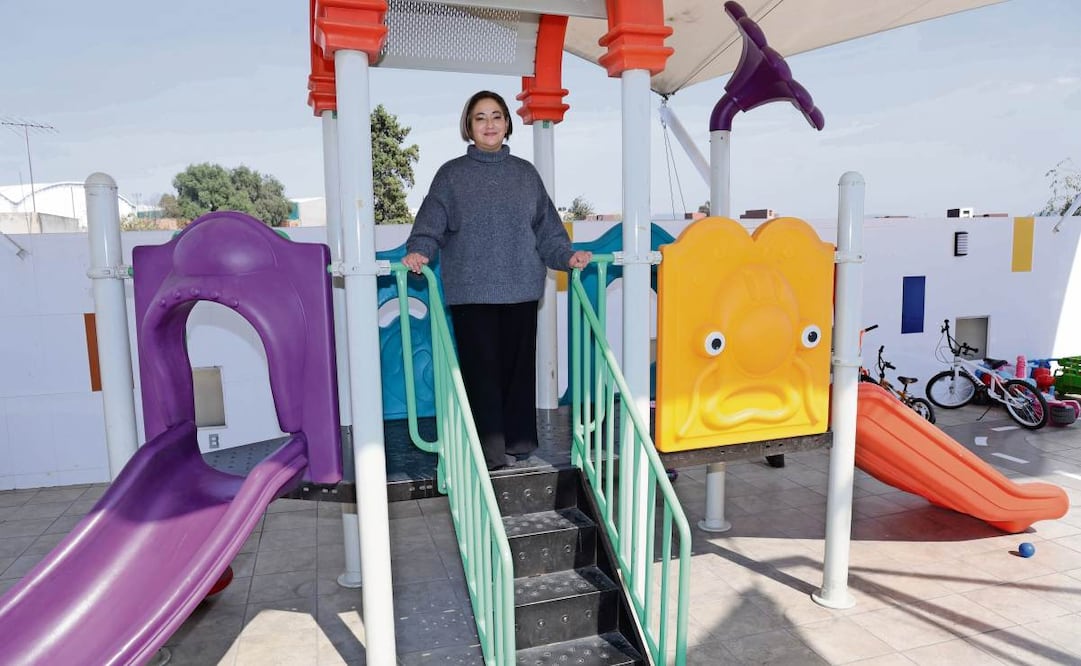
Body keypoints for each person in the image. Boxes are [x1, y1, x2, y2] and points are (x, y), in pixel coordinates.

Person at [403, 90, 591, 471]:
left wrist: (567, 257)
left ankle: (520, 443)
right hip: (472, 293)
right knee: (482, 374)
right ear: (468, 127)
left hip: (521, 288)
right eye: (480, 118)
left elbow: (548, 231)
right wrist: (420, 249)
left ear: (507, 124)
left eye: (496, 116)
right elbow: (429, 224)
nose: (489, 124)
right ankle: (489, 453)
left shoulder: (525, 174)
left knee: (518, 372)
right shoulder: (451, 175)